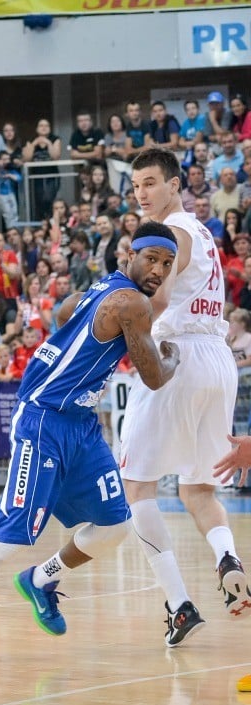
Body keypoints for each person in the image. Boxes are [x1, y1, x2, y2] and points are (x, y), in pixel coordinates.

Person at [0, 223, 181, 664]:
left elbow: (65, 312)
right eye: (152, 258)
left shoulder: (101, 289)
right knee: (13, 536)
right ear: (131, 254)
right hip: (43, 421)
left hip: (79, 424)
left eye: (167, 264)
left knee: (116, 524)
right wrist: (172, 354)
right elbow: (155, 376)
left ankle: (42, 579)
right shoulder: (133, 302)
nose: (158, 270)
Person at [121, 146, 250, 645]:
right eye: (136, 186)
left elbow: (157, 299)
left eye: (150, 182)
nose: (142, 193)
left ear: (176, 184)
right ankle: (227, 560)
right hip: (217, 359)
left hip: (177, 357)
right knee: (198, 490)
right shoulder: (201, 231)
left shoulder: (171, 233)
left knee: (137, 487)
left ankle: (178, 604)